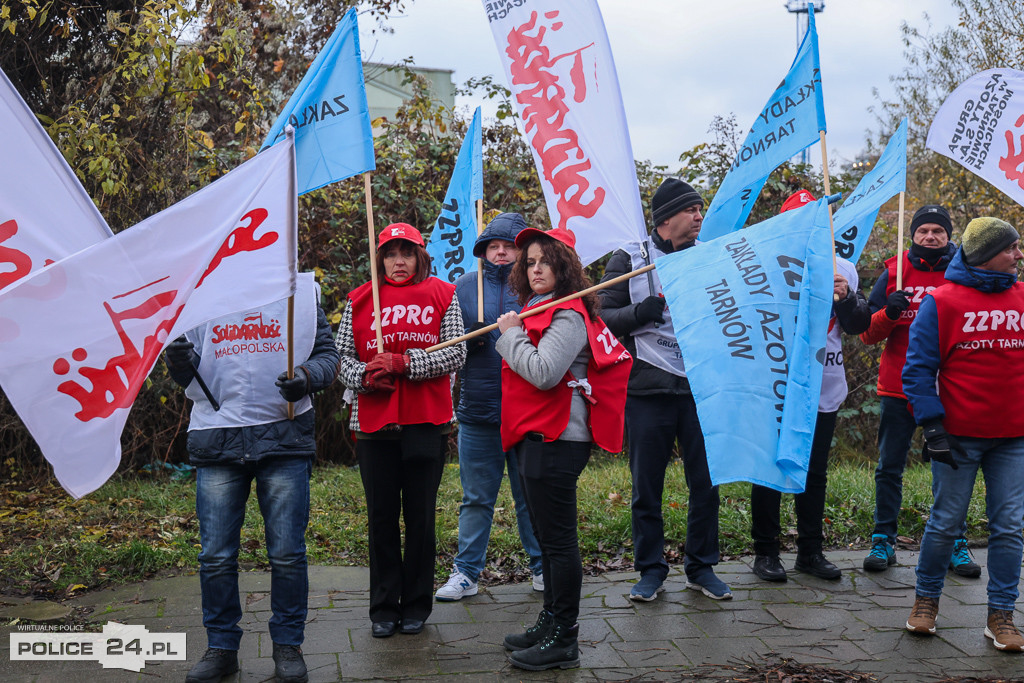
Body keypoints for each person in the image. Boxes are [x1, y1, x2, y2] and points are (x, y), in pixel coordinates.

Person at [167, 273, 340, 683]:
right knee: (215, 556)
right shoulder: (198, 292)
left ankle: (287, 647)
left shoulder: (299, 292)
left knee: (286, 553)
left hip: (282, 436)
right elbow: (186, 373)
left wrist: (307, 378)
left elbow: (328, 357)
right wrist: (177, 362)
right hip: (217, 439)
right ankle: (222, 648)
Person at [496, 227, 631, 671]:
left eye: (545, 261)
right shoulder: (537, 308)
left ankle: (564, 639)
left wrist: (510, 335)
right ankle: (550, 621)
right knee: (546, 537)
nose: (536, 269)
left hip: (558, 439)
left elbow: (544, 372)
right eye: (530, 261)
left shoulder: (567, 315)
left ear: (564, 267)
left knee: (557, 543)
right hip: (535, 437)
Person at [598, 177, 730, 601]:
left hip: (699, 390)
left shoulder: (708, 258)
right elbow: (603, 317)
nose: (698, 217)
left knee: (706, 484)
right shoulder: (630, 257)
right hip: (646, 390)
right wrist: (641, 311)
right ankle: (650, 570)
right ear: (667, 217)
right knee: (647, 487)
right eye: (692, 210)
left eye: (700, 209)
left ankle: (701, 567)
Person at [335, 223, 466, 638]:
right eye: (390, 254)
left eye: (406, 253)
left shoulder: (443, 296)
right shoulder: (359, 300)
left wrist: (405, 363)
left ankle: (416, 605)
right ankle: (383, 607)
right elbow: (341, 359)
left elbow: (456, 351)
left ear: (420, 257)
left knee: (421, 518)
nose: (398, 262)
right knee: (381, 519)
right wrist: (366, 377)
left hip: (426, 422)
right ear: (380, 259)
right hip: (374, 425)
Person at [902, 217, 1024, 653]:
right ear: (988, 253)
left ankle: (1001, 616)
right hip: (956, 438)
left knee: (1009, 528)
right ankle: (926, 603)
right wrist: (932, 426)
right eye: (1012, 247)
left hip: (1014, 438)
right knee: (944, 524)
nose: (1018, 254)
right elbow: (916, 371)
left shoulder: (1023, 295)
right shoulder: (942, 302)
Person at [749, 190, 871, 582]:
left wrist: (847, 298)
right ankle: (765, 553)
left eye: (817, 217)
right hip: (775, 382)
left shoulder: (843, 267)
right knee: (769, 468)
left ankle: (811, 551)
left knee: (814, 471)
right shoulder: (762, 265)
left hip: (824, 382)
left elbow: (859, 325)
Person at [859, 204, 979, 577]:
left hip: (948, 389)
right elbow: (866, 334)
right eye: (923, 230)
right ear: (912, 235)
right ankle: (883, 540)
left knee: (950, 469)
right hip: (898, 389)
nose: (930, 237)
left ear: (949, 236)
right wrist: (889, 313)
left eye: (938, 231)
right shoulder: (894, 272)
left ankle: (955, 543)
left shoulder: (965, 271)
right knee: (889, 467)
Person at [435, 212, 544, 601]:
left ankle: (543, 567)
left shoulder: (535, 286)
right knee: (476, 498)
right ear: (483, 251)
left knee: (530, 495)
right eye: (493, 247)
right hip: (478, 410)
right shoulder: (463, 287)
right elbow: (445, 342)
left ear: (522, 250)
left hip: (527, 409)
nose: (500, 253)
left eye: (509, 247)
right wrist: (466, 341)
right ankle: (466, 572)